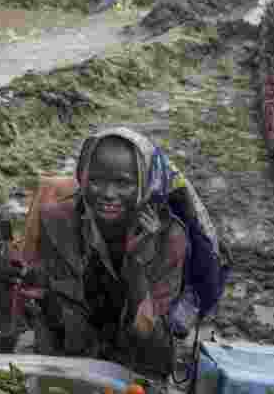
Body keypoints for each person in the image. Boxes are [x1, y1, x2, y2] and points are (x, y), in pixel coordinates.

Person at [28, 127, 189, 379]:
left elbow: (153, 345)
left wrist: (137, 265)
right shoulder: (59, 221)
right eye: (96, 180)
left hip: (141, 357)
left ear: (144, 184)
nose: (107, 194)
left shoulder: (168, 239)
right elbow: (61, 313)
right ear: (83, 178)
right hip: (75, 346)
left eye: (123, 182)